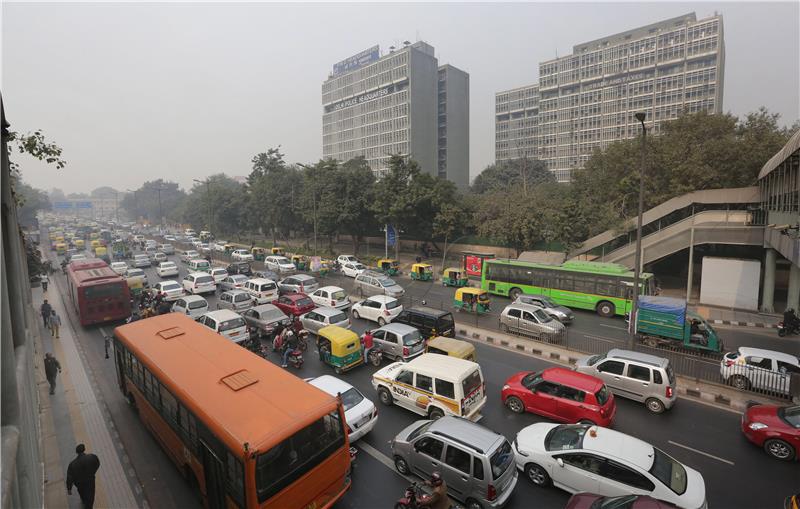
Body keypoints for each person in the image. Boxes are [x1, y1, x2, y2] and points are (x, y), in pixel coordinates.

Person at [66, 443, 100, 509]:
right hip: (90, 482)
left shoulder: (72, 464)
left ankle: (84, 501)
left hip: (79, 484)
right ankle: (89, 506)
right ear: (84, 449)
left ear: (77, 452)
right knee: (90, 495)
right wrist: (93, 473)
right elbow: (97, 464)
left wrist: (69, 488)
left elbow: (69, 477)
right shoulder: (92, 457)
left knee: (82, 493)